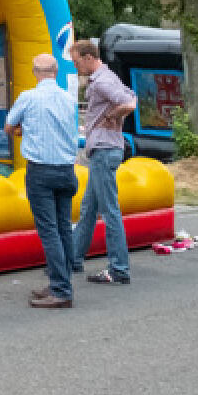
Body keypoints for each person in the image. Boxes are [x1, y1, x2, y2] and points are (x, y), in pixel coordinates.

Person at [5, 53, 81, 308]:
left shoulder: (29, 97)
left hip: (41, 170)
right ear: (56, 72)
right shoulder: (68, 98)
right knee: (64, 227)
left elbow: (9, 126)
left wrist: (23, 130)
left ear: (35, 72)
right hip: (66, 169)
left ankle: (61, 290)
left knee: (48, 230)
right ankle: (63, 280)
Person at [70, 38, 137, 285]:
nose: (76, 67)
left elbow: (128, 103)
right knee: (89, 207)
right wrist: (115, 113)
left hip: (104, 149)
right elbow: (132, 96)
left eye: (77, 62)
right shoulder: (108, 76)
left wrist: (113, 114)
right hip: (106, 149)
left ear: (89, 58)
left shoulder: (103, 81)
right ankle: (73, 258)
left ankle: (119, 268)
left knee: (109, 210)